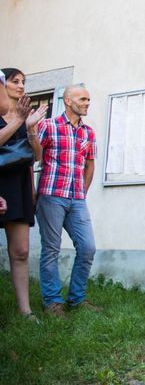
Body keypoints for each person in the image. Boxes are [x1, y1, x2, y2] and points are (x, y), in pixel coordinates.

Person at [37, 84, 99, 317]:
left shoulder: (88, 132)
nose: (87, 103)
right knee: (51, 249)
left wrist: (81, 193)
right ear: (68, 101)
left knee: (87, 247)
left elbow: (90, 166)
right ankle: (53, 302)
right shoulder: (48, 126)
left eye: (88, 99)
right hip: (51, 195)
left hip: (76, 199)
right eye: (83, 99)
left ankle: (77, 299)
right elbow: (34, 157)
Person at [0, 68, 47, 321]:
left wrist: (30, 128)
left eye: (23, 82)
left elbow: (36, 156)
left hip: (17, 186)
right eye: (14, 81)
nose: (20, 86)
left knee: (21, 251)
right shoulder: (8, 114)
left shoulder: (24, 115)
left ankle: (25, 311)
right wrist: (17, 120)